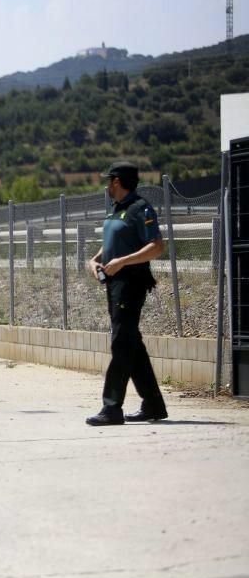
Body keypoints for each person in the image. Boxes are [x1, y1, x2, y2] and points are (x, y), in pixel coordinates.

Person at [85, 161, 168, 426]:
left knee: (121, 342)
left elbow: (156, 247)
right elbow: (111, 243)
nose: (107, 185)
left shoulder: (139, 209)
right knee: (131, 343)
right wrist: (95, 260)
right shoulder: (116, 211)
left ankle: (112, 407)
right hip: (114, 284)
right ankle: (153, 405)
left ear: (117, 182)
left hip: (131, 283)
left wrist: (122, 261)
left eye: (109, 181)